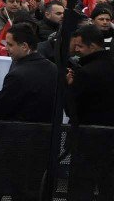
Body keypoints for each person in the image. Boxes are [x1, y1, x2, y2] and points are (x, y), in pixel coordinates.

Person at [0, 22, 56, 201]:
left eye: (10, 45)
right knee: (29, 191)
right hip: (42, 142)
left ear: (24, 46)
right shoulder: (53, 69)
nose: (6, 48)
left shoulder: (19, 74)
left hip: (13, 142)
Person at [65, 24, 114, 201]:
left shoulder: (86, 73)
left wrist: (70, 88)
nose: (76, 50)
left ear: (92, 46)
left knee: (81, 187)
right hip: (109, 140)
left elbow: (72, 108)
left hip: (88, 140)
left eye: (79, 46)